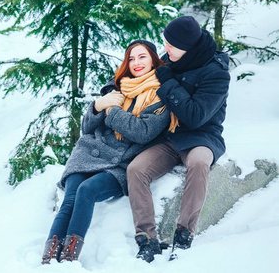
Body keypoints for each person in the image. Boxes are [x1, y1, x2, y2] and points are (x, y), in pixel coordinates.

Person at [41, 40, 179, 264]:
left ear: (154, 59)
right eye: (131, 58)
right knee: (70, 199)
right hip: (88, 155)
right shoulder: (118, 86)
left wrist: (111, 110)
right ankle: (48, 258)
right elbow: (87, 127)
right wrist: (97, 106)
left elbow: (142, 132)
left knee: (87, 190)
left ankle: (68, 258)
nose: (136, 63)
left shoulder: (162, 95)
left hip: (119, 165)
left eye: (142, 57)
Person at [122, 16, 230, 262]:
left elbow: (195, 116)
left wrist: (168, 83)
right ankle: (147, 239)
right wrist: (111, 90)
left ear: (188, 48)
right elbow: (135, 75)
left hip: (202, 136)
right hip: (169, 137)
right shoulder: (171, 59)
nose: (165, 49)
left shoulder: (217, 74)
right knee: (136, 169)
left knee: (199, 163)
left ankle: (183, 236)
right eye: (165, 42)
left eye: (171, 45)